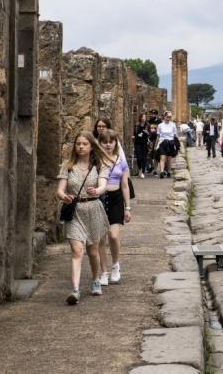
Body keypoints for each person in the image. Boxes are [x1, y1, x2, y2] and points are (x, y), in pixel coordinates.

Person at [56, 131, 112, 304]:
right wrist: (63, 196)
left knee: (93, 252)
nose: (80, 146)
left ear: (91, 146)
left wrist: (96, 190)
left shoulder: (99, 165)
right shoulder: (68, 166)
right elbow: (59, 189)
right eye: (78, 143)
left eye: (84, 144)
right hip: (75, 211)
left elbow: (103, 185)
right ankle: (75, 290)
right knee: (77, 251)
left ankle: (95, 279)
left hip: (93, 209)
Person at [97, 129, 132, 287]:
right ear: (100, 144)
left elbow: (124, 185)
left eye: (111, 141)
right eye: (105, 142)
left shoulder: (120, 161)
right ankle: (103, 272)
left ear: (115, 143)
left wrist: (128, 207)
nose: (108, 144)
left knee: (113, 235)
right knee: (100, 238)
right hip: (99, 198)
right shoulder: (96, 161)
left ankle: (115, 265)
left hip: (116, 198)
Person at [155, 111, 178, 178]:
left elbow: (174, 135)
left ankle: (168, 171)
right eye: (167, 117)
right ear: (164, 117)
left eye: (169, 117)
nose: (168, 118)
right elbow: (158, 136)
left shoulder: (173, 125)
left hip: (170, 142)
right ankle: (162, 172)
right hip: (162, 142)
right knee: (162, 158)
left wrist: (174, 144)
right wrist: (156, 145)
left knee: (169, 159)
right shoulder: (160, 125)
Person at [133, 113, 150, 179]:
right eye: (143, 117)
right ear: (140, 118)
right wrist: (134, 137)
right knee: (139, 157)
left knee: (144, 158)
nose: (144, 118)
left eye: (145, 117)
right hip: (137, 143)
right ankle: (140, 168)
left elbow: (150, 134)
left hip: (144, 143)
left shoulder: (147, 125)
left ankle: (143, 172)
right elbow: (135, 133)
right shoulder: (137, 125)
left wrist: (147, 133)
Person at [147, 110, 161, 175]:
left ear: (156, 115)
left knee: (155, 156)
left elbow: (157, 131)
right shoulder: (148, 122)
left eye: (153, 114)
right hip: (150, 140)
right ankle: (152, 166)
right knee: (148, 156)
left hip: (157, 140)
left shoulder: (159, 122)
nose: (151, 115)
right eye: (151, 114)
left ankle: (155, 169)